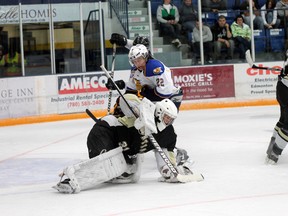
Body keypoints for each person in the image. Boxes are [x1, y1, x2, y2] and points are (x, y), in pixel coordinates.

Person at [53, 95, 204, 193]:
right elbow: (124, 98)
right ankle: (70, 179)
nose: (169, 122)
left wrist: (169, 171)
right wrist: (138, 113)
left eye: (171, 119)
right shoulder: (145, 113)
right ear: (159, 113)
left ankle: (84, 167)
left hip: (122, 148)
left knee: (121, 171)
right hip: (106, 131)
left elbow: (165, 157)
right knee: (104, 166)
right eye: (167, 118)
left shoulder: (168, 134)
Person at [266, 51, 288, 164]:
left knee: (283, 120)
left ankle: (271, 150)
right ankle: (274, 154)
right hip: (285, 88)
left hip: (282, 87)